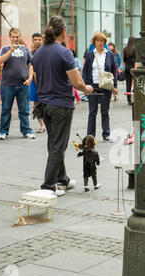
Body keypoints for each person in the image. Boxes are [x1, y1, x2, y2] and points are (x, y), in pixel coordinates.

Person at [32, 15, 94, 197]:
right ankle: (49, 186)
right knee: (58, 146)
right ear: (64, 31)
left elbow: (36, 79)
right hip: (61, 105)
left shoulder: (38, 53)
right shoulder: (64, 52)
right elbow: (76, 82)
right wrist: (87, 88)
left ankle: (62, 179)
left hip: (44, 105)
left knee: (54, 144)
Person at [0, 27, 35, 140]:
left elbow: (31, 64)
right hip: (7, 84)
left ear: (20, 37)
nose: (15, 39)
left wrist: (30, 78)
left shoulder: (25, 49)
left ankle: (26, 130)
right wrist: (11, 51)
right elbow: (0, 60)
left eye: (17, 37)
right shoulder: (5, 49)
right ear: (10, 37)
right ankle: (3, 131)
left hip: (23, 84)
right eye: (13, 37)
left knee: (24, 109)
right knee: (6, 109)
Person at [82, 32, 118, 142]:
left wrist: (114, 86)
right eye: (97, 41)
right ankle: (90, 135)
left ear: (104, 42)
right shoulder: (89, 55)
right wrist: (85, 86)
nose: (100, 43)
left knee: (105, 111)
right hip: (92, 86)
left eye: (102, 41)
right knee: (92, 111)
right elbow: (85, 71)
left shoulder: (110, 55)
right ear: (94, 42)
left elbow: (113, 71)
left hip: (106, 86)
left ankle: (106, 134)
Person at [29, 32, 45, 133]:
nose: (37, 41)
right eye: (35, 40)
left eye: (39, 39)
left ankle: (48, 123)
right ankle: (42, 125)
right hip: (34, 82)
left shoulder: (45, 52)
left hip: (45, 81)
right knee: (36, 104)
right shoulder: (30, 53)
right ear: (32, 41)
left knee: (47, 102)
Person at [123, 36, 136, 105]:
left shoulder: (125, 49)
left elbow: (124, 60)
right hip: (134, 67)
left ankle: (129, 100)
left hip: (127, 67)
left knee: (128, 84)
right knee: (135, 84)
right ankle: (134, 99)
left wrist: (126, 67)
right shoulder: (136, 49)